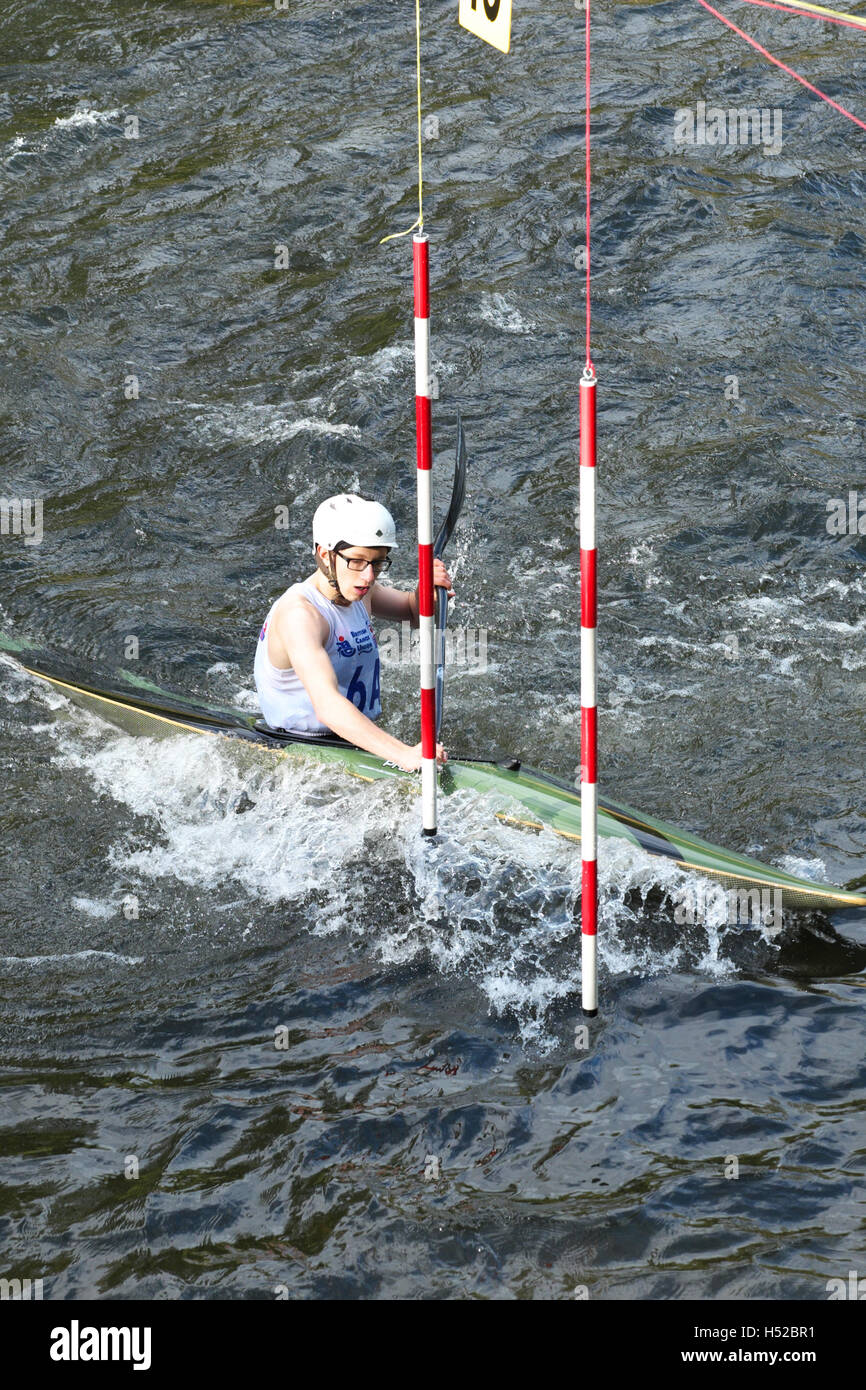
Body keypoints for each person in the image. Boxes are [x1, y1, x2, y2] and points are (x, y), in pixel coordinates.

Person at [254, 493, 454, 772]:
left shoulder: (361, 590)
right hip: (301, 750)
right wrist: (405, 755)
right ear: (326, 555)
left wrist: (428, 592)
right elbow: (327, 705)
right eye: (357, 561)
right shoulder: (301, 615)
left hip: (349, 742)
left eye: (378, 562)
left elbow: (412, 611)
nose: (369, 576)